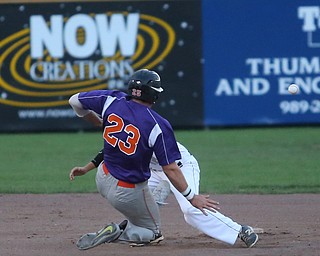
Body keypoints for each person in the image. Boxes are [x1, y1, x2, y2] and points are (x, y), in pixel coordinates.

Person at [68, 69, 219, 249]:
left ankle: (135, 219)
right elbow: (170, 169)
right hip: (126, 192)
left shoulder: (111, 100)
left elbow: (74, 101)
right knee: (153, 233)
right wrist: (191, 197)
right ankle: (118, 232)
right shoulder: (157, 124)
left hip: (102, 178)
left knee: (161, 189)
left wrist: (97, 123)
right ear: (154, 95)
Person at [71, 142, 259, 248]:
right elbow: (108, 150)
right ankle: (140, 231)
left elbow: (170, 169)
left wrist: (191, 197)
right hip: (154, 170)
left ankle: (240, 230)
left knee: (190, 210)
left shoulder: (152, 129)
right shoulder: (130, 127)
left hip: (179, 169)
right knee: (138, 197)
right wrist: (86, 169)